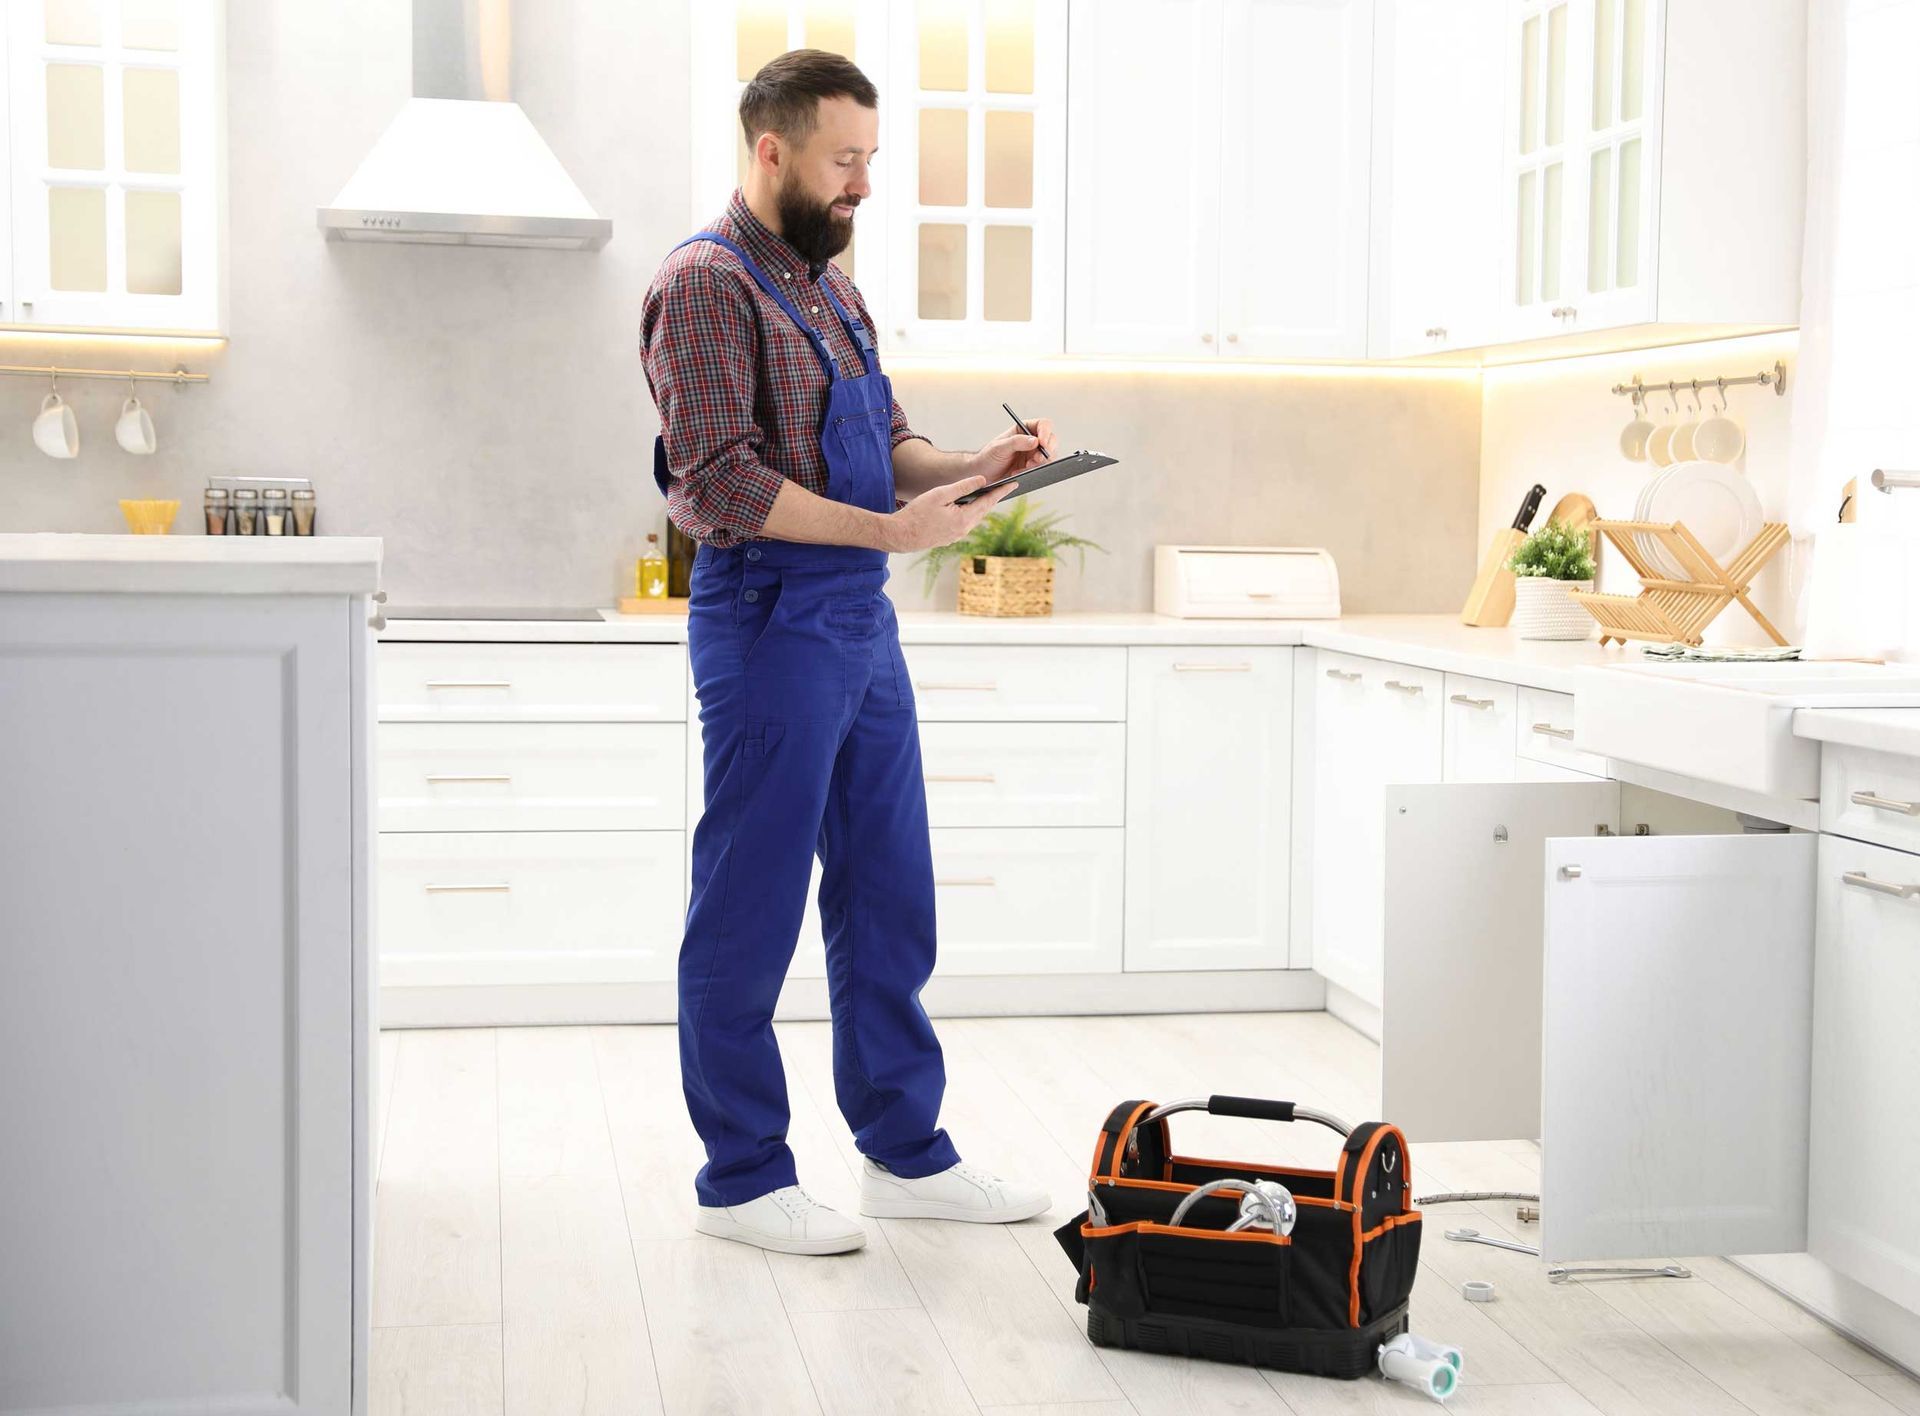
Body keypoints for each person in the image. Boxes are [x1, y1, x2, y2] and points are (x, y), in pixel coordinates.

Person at [640, 48, 1054, 1256]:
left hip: (858, 619)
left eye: (870, 159)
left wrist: (973, 468)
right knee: (752, 899)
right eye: (843, 160)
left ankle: (904, 1154)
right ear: (771, 151)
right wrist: (889, 531)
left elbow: (895, 444)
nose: (863, 183)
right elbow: (719, 482)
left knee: (887, 888)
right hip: (769, 613)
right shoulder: (704, 285)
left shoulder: (835, 291)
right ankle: (742, 1177)